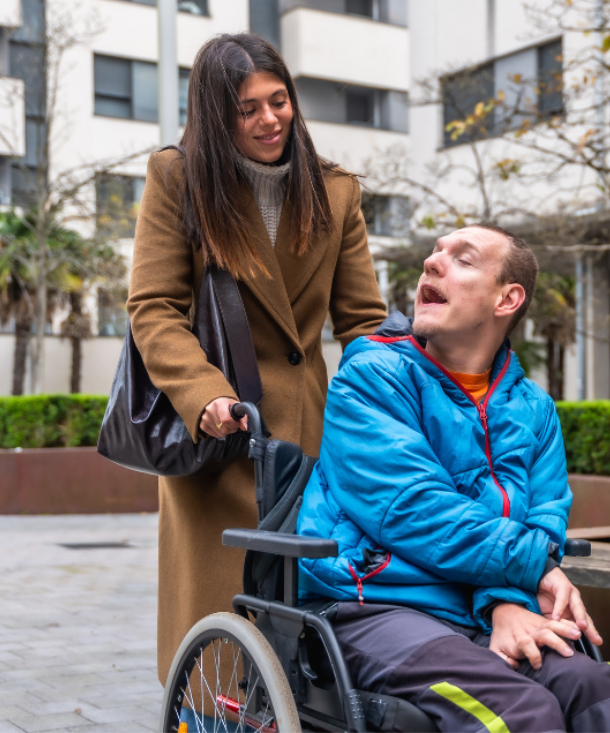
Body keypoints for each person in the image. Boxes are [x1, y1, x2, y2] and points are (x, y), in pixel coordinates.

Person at [297, 224, 610, 732]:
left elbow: (543, 521)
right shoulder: (371, 377)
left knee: (595, 688)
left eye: (463, 259)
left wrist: (504, 602)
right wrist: (530, 572)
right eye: (435, 252)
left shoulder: (535, 409)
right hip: (374, 602)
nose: (431, 263)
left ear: (508, 299)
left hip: (479, 607)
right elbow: (413, 509)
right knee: (520, 710)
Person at [126, 33, 387, 686]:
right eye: (248, 109)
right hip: (221, 434)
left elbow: (363, 322)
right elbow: (154, 306)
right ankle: (206, 716)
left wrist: (391, 407)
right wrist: (204, 395)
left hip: (309, 434)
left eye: (279, 101)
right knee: (221, 629)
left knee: (306, 612)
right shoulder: (179, 177)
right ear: (217, 114)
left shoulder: (336, 191)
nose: (270, 119)